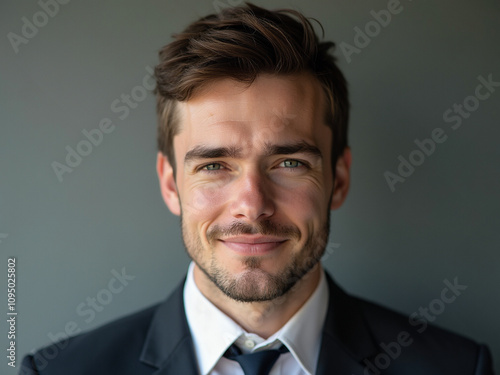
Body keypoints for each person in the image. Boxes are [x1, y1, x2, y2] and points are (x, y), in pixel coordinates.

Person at [20, 3, 494, 375]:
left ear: (339, 179)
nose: (252, 205)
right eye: (215, 165)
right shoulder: (61, 371)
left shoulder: (455, 368)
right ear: (170, 184)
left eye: (289, 162)